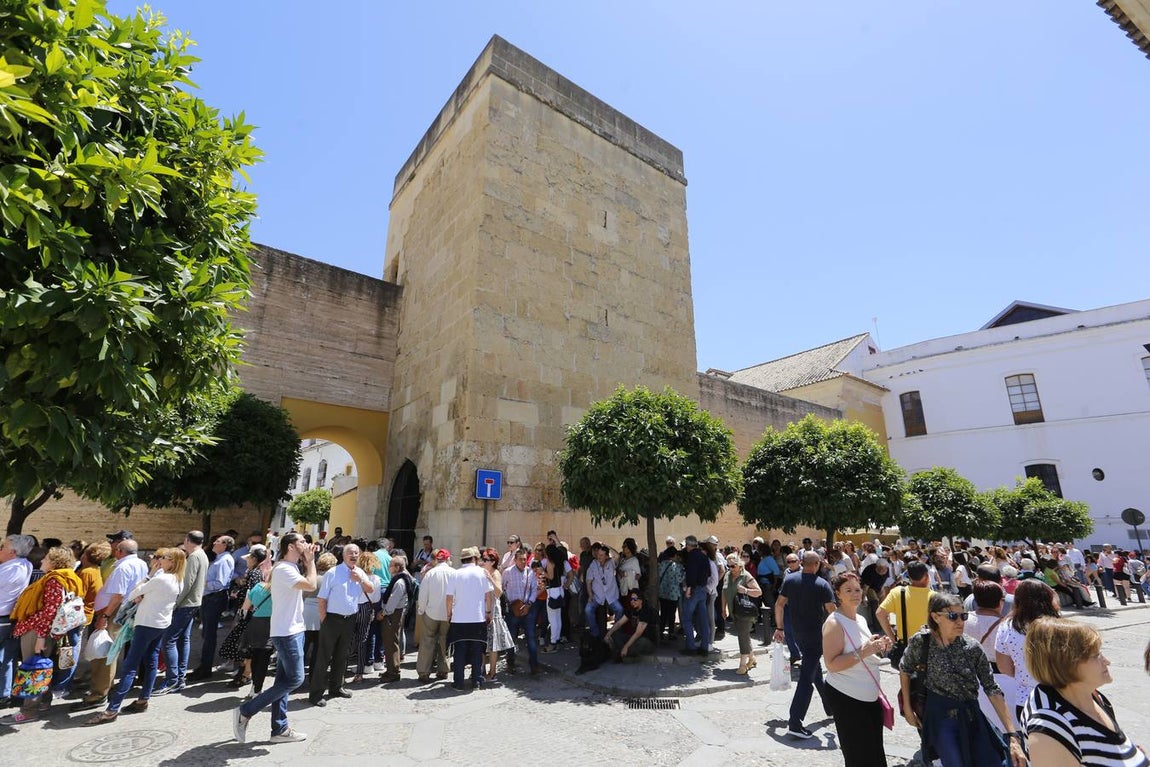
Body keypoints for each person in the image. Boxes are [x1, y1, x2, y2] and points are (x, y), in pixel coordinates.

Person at [900, 593, 1026, 767]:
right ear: (935, 617)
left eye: (963, 616)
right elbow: (905, 669)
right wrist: (907, 708)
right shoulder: (921, 642)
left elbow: (992, 688)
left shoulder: (972, 647)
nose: (960, 622)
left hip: (970, 715)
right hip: (940, 717)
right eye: (953, 616)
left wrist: (1012, 734)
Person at [1023, 617, 1150, 767]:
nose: (1107, 661)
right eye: (1096, 655)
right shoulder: (1049, 727)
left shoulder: (1091, 696)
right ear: (1067, 664)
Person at [233, 532, 318, 745]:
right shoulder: (284, 569)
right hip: (287, 632)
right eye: (302, 541)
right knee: (295, 679)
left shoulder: (290, 567)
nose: (306, 544)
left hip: (292, 629)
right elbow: (311, 585)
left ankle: (279, 729)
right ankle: (246, 711)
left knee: (283, 682)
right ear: (291, 547)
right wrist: (311, 562)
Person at [84, 547, 185, 724]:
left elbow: (132, 594)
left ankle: (112, 710)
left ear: (172, 561)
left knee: (130, 666)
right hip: (161, 623)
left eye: (164, 557)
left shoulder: (160, 579)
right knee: (151, 660)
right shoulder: (178, 579)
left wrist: (149, 575)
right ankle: (143, 700)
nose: (159, 560)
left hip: (146, 624)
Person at [2, 547, 82, 723]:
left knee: (33, 670)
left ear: (54, 562)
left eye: (46, 558)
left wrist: (40, 637)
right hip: (43, 631)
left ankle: (28, 711)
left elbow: (50, 612)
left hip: (37, 631)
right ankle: (43, 702)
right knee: (41, 667)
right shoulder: (68, 577)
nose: (42, 561)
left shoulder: (54, 580)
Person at [822, 572, 893, 767]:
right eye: (848, 590)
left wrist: (877, 645)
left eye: (857, 589)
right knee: (859, 755)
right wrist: (865, 651)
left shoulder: (860, 618)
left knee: (875, 752)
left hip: (869, 695)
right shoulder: (834, 623)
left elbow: (862, 649)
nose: (855, 594)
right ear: (838, 594)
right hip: (847, 697)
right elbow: (831, 664)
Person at [71, 538, 148, 711]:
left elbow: (118, 595)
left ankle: (98, 694)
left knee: (104, 652)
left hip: (114, 611)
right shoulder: (141, 563)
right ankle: (107, 687)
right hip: (124, 610)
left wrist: (105, 616)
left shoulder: (122, 567)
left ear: (119, 551)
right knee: (111, 650)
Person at [774, 551, 836, 739]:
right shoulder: (822, 584)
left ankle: (830, 707)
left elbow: (779, 605)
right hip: (815, 636)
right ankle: (795, 722)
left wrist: (780, 628)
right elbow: (832, 612)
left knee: (815, 671)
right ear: (817, 564)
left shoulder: (790, 580)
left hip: (797, 634)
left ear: (802, 562)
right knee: (806, 680)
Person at [309, 543, 375, 705]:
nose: (354, 555)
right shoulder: (333, 573)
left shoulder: (359, 572)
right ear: (344, 556)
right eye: (351, 553)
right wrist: (324, 619)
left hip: (350, 619)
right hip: (332, 619)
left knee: (342, 655)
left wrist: (360, 580)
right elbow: (322, 598)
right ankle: (316, 694)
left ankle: (336, 687)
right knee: (324, 657)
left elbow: (370, 589)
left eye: (356, 553)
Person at [995, 579, 1060, 721]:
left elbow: (1004, 667)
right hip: (1063, 695)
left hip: (1027, 698)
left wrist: (1025, 674)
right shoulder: (1059, 625)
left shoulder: (1006, 627)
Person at [156, 530, 208, 694]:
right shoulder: (202, 554)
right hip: (193, 603)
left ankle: (173, 680)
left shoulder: (194, 557)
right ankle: (179, 678)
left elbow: (187, 583)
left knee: (168, 640)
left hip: (186, 604)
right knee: (182, 640)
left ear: (187, 541)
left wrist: (175, 603)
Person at [446, 546, 494, 691]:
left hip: (459, 619)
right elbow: (488, 596)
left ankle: (458, 682)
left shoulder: (455, 574)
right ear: (474, 558)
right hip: (478, 618)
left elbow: (449, 598)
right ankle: (477, 681)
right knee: (477, 651)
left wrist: (449, 614)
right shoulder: (482, 573)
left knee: (459, 651)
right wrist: (488, 612)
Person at [191, 534, 234, 680]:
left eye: (218, 541)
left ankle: (205, 668)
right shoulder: (220, 558)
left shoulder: (224, 560)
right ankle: (204, 666)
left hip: (214, 599)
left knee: (209, 635)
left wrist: (203, 583)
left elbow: (220, 583)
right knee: (207, 634)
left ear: (225, 545)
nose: (214, 543)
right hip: (210, 598)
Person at [877, 560, 933, 665]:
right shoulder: (935, 597)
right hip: (929, 647)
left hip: (905, 647)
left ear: (909, 577)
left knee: (905, 674)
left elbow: (880, 614)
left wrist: (893, 637)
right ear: (927, 576)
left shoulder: (898, 592)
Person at [0, 535, 34, 708]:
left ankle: (4, 694)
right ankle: (5, 693)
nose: (0, 550)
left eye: (2, 547)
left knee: (5, 658)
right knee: (7, 657)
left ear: (12, 552)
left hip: (3, 618)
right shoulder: (25, 564)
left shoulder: (10, 570)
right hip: (11, 618)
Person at [502, 548, 540, 675]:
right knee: (511, 637)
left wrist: (529, 604)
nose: (523, 562)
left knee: (530, 637)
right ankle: (510, 663)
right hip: (513, 610)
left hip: (527, 609)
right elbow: (502, 588)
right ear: (515, 560)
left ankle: (534, 665)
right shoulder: (507, 572)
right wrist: (508, 602)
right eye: (521, 559)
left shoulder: (530, 572)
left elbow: (534, 589)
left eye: (525, 559)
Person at [416, 549, 452, 681]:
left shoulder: (430, 573)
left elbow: (423, 594)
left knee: (427, 641)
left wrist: (421, 609)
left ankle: (424, 672)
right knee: (445, 641)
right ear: (448, 559)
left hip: (431, 612)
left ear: (437, 559)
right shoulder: (454, 573)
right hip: (448, 613)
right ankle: (443, 670)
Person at [723, 552, 762, 674]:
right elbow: (724, 592)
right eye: (728, 566)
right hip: (734, 611)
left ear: (740, 565)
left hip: (745, 612)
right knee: (744, 635)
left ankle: (743, 665)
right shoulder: (727, 575)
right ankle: (752, 658)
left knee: (742, 636)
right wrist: (723, 609)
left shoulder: (746, 576)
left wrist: (745, 590)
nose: (730, 568)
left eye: (733, 566)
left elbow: (758, 592)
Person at [479, 547, 514, 681]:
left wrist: (490, 579)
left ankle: (492, 672)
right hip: (482, 610)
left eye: (485, 559)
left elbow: (499, 592)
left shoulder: (496, 573)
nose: (482, 561)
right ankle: (481, 669)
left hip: (493, 611)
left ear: (492, 562)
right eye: (482, 559)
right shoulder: (481, 571)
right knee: (482, 642)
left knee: (493, 643)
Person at [378, 554, 410, 684]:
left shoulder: (399, 582)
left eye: (390, 565)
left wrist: (383, 613)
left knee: (391, 643)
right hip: (394, 613)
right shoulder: (399, 579)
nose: (389, 568)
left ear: (397, 567)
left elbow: (393, 602)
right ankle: (391, 669)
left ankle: (393, 672)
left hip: (393, 614)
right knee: (389, 643)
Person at [603, 588, 658, 661]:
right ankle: (623, 654)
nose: (632, 601)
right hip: (634, 639)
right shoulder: (632, 609)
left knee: (641, 642)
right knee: (614, 634)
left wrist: (626, 647)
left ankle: (620, 653)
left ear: (641, 600)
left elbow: (638, 633)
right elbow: (619, 623)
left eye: (635, 599)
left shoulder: (647, 611)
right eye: (631, 599)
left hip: (647, 640)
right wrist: (608, 634)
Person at [584, 543, 624, 639]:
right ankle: (595, 633)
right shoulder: (593, 564)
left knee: (620, 610)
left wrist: (608, 546)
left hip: (611, 594)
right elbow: (588, 581)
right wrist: (590, 595)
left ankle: (614, 631)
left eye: (601, 555)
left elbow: (617, 556)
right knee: (588, 610)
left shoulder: (611, 562)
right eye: (598, 554)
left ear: (606, 556)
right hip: (598, 596)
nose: (599, 557)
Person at [681, 535, 711, 656]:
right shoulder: (703, 556)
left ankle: (691, 647)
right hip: (703, 589)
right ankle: (704, 647)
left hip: (694, 589)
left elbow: (691, 574)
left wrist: (689, 588)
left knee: (686, 618)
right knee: (703, 619)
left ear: (688, 545)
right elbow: (709, 573)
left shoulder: (691, 557)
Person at [658, 546, 684, 640]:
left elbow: (659, 576)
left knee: (663, 613)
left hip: (663, 592)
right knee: (672, 614)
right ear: (675, 555)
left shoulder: (662, 564)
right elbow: (679, 579)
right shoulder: (678, 566)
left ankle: (661, 632)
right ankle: (671, 633)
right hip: (673, 593)